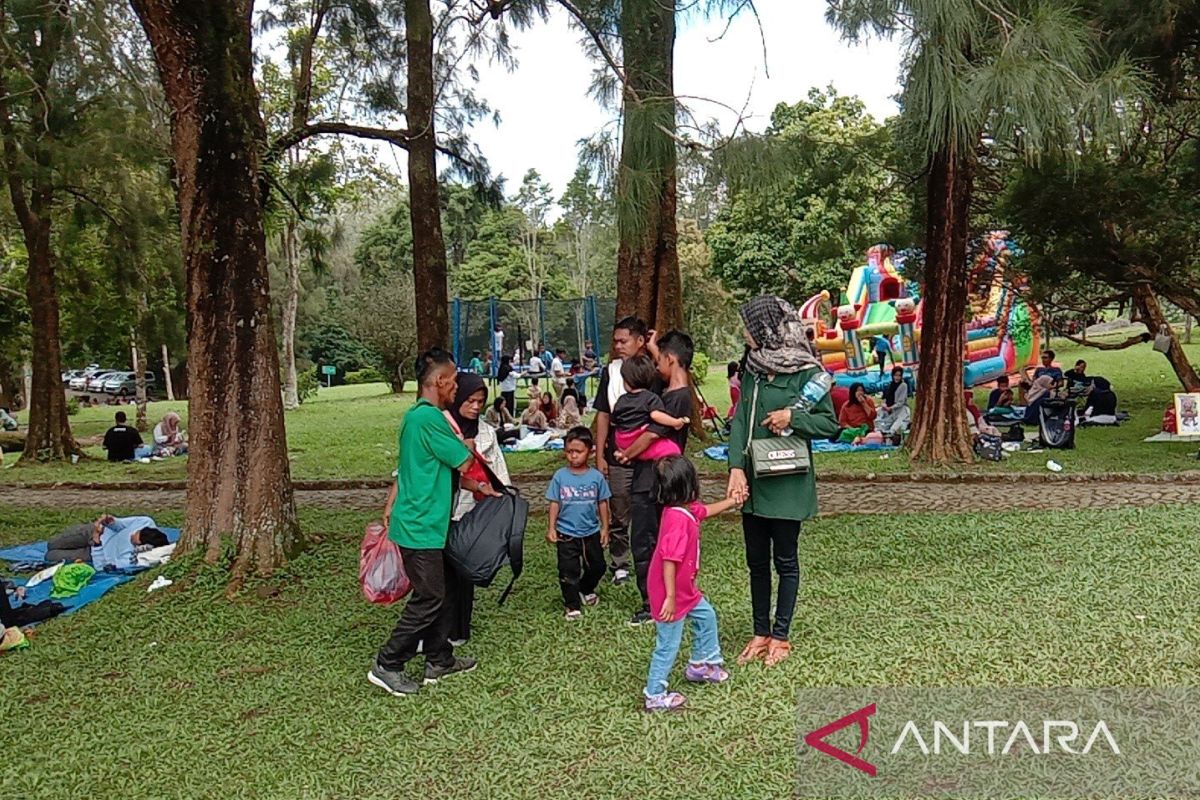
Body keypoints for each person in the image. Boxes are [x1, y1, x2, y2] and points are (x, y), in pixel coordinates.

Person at [727, 296, 838, 667]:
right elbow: (740, 419)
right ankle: (760, 632)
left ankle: (781, 635)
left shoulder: (808, 371)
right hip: (754, 482)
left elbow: (830, 425)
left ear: (768, 328)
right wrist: (735, 467)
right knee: (755, 561)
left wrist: (793, 415)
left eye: (748, 325)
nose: (744, 331)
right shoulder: (753, 369)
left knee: (785, 561)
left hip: (787, 481)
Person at [369, 349, 477, 698]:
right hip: (420, 525)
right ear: (439, 381)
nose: (456, 387)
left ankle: (439, 658)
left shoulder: (415, 417)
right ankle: (388, 663)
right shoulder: (429, 419)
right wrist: (469, 443)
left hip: (426, 522)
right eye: (454, 381)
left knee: (440, 589)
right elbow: (463, 461)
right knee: (430, 595)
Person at [643, 456, 739, 711]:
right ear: (688, 484)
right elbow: (669, 560)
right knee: (667, 645)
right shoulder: (677, 519)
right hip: (670, 593)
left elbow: (705, 511)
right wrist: (671, 598)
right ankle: (654, 695)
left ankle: (701, 665)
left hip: (686, 591)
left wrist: (733, 501)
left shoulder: (685, 508)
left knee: (707, 616)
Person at [614, 330, 694, 627]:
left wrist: (626, 455)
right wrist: (651, 346)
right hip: (649, 477)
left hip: (656, 481)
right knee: (650, 540)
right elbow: (649, 380)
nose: (655, 365)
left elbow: (650, 435)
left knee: (646, 541)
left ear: (671, 360)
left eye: (659, 359)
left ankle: (653, 603)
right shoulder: (664, 389)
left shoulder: (678, 399)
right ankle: (659, 598)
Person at [444, 373, 508, 646]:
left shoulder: (485, 433)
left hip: (473, 513)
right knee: (440, 577)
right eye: (469, 400)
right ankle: (437, 631)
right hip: (443, 510)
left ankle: (459, 629)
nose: (475, 406)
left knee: (464, 572)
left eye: (480, 402)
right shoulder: (442, 428)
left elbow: (499, 472)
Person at [592, 316, 654, 587]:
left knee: (649, 506)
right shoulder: (612, 371)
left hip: (649, 451)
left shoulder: (654, 369)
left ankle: (650, 559)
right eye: (615, 341)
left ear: (640, 341)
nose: (618, 346)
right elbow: (604, 414)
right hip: (617, 451)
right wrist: (599, 455)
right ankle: (619, 563)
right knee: (619, 507)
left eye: (623, 340)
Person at [545, 426, 611, 620]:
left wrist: (605, 528)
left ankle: (585, 588)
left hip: (591, 532)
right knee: (568, 571)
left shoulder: (597, 477)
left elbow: (603, 502)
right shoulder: (560, 476)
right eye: (569, 451)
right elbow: (554, 503)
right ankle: (572, 605)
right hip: (566, 533)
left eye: (578, 451)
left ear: (590, 452)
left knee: (598, 566)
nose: (573, 456)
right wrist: (551, 528)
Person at [611, 354, 689, 460]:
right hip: (637, 438)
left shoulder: (621, 400)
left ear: (627, 380)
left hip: (621, 440)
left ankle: (627, 455)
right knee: (673, 449)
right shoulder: (651, 398)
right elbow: (656, 415)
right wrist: (676, 422)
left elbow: (614, 420)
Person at [44, 515, 169, 570]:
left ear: (141, 546)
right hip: (100, 531)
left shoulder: (131, 559)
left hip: (94, 551)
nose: (131, 536)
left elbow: (101, 566)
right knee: (52, 544)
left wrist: (97, 543)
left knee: (50, 556)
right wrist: (111, 522)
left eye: (133, 540)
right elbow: (121, 525)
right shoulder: (145, 522)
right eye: (134, 533)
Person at [876, 366, 910, 438]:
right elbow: (887, 398)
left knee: (895, 428)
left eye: (899, 375)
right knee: (878, 416)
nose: (897, 378)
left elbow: (901, 402)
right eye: (895, 375)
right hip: (889, 410)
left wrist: (891, 408)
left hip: (900, 410)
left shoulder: (903, 385)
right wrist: (884, 405)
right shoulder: (891, 385)